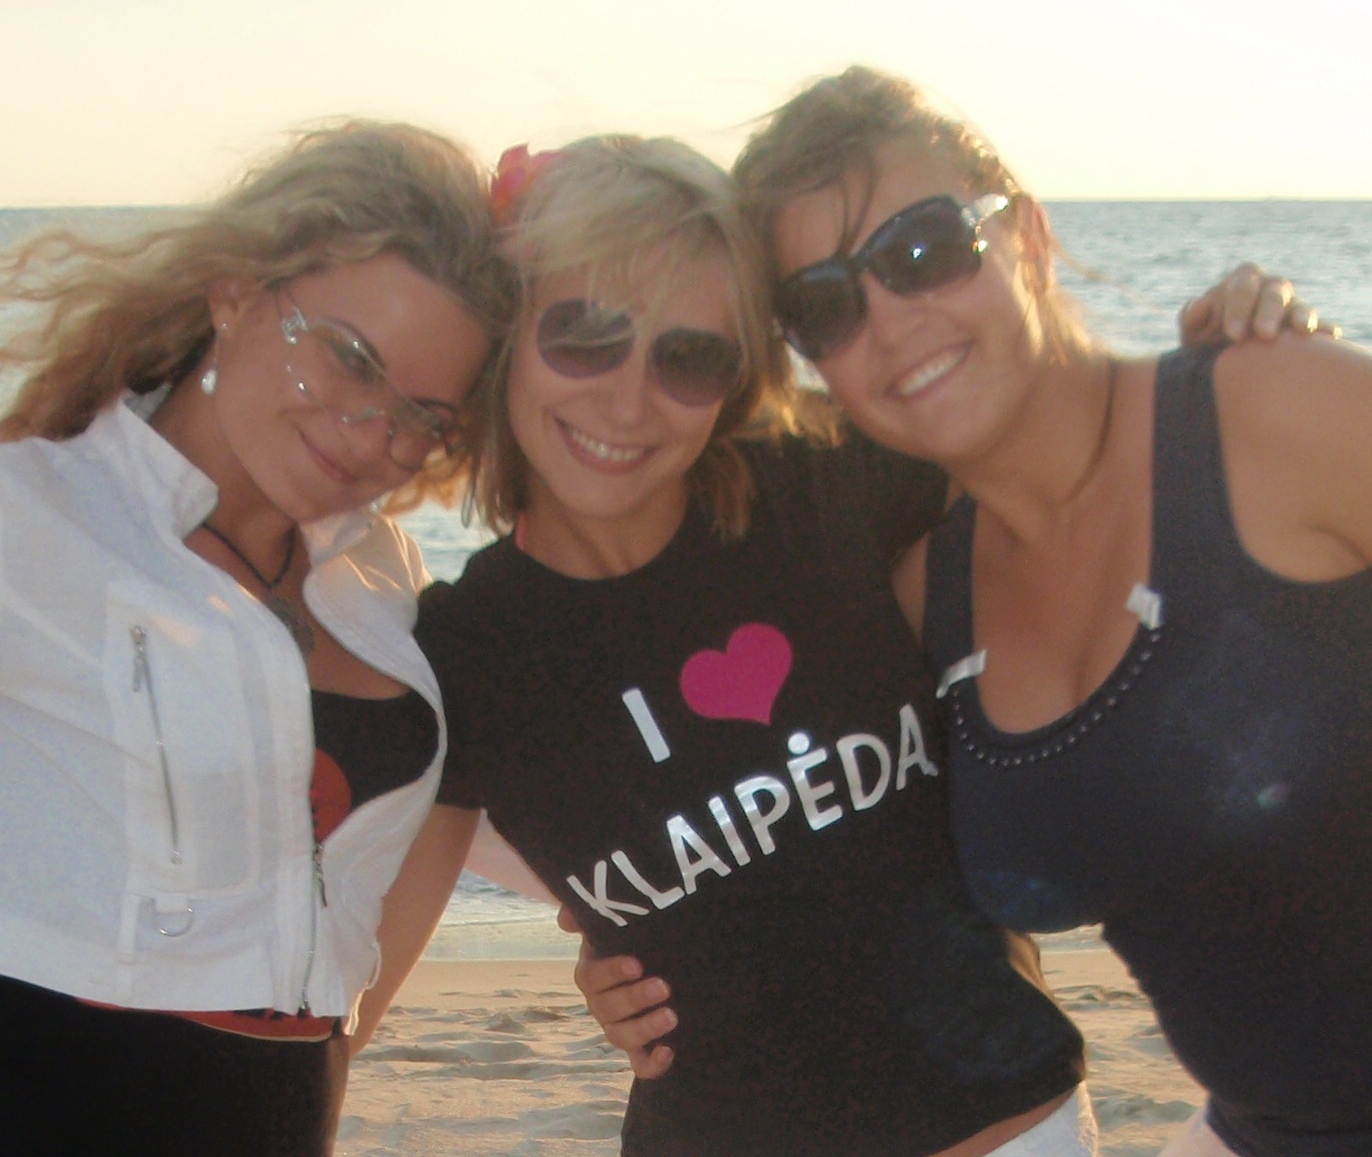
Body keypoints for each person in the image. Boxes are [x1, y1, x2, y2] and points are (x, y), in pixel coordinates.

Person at [407, 134, 1312, 1157]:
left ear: (740, 375)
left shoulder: (838, 481)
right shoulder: (463, 655)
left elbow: (1102, 481)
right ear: (508, 335)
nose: (627, 399)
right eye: (583, 335)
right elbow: (335, 961)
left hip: (1005, 1128)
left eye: (690, 358)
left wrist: (1233, 362)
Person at [663, 65, 1365, 1157]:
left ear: (1026, 236)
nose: (890, 322)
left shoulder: (1272, 412)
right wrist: (623, 950)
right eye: (827, 307)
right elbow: (792, 843)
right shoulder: (926, 603)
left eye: (922, 250)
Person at [0, 120, 513, 1156]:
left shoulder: (379, 571)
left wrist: (344, 1016)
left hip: (282, 1109)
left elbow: (444, 798)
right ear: (236, 290)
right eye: (349, 360)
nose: (372, 437)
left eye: (422, 417)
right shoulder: (32, 515)